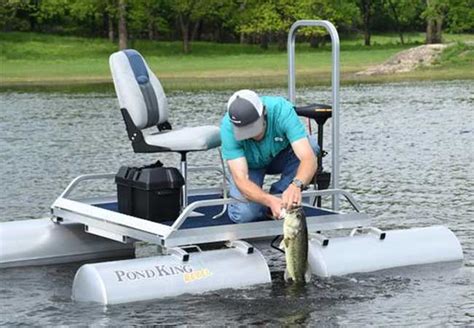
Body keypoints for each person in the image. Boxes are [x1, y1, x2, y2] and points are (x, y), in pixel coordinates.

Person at [220, 89, 319, 223]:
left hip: (280, 157)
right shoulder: (227, 127)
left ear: (264, 113)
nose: (251, 135)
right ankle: (270, 204)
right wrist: (269, 201)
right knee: (245, 215)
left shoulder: (282, 111)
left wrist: (296, 185)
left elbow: (308, 159)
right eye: (245, 131)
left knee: (312, 146)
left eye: (253, 128)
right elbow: (241, 178)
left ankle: (282, 193)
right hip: (249, 165)